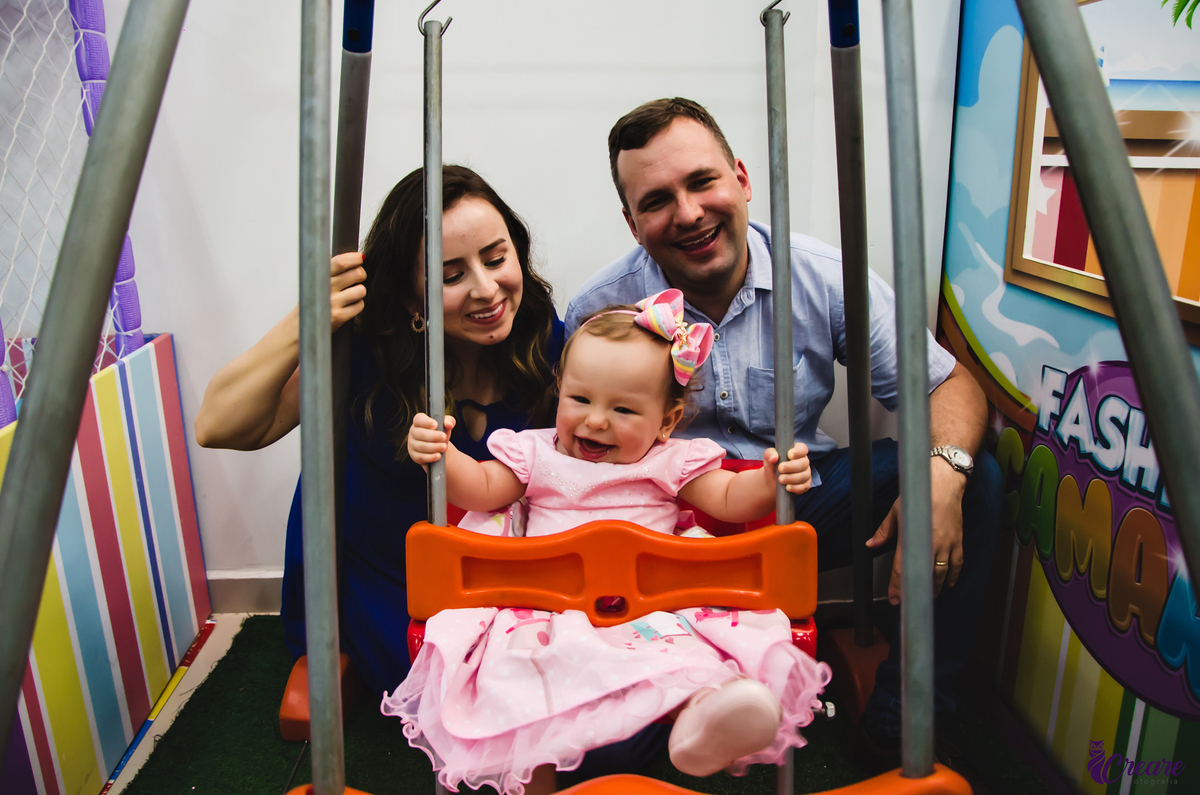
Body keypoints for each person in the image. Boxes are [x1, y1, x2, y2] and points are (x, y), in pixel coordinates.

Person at [565, 97, 1002, 755]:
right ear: (632, 223)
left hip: (797, 501)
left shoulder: (822, 275)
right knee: (619, 751)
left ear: (741, 178)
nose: (687, 213)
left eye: (701, 181)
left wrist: (943, 475)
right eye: (656, 200)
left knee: (978, 477)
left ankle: (906, 715)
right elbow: (573, 456)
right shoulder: (601, 308)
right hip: (667, 527)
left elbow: (946, 384)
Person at [392, 289, 830, 795]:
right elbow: (484, 489)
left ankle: (707, 716)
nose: (595, 420)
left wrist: (769, 479)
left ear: (666, 422)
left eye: (623, 409)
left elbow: (730, 499)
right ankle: (532, 783)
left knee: (689, 655)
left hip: (652, 613)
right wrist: (443, 456)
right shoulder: (536, 455)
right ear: (560, 391)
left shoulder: (668, 462)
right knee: (515, 682)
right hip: (544, 614)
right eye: (579, 399)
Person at [194, 165, 563, 701]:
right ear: (411, 298)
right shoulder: (364, 349)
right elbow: (217, 426)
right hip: (393, 573)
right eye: (450, 275)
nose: (488, 290)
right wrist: (307, 321)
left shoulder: (539, 329)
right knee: (469, 693)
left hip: (502, 562)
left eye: (496, 257)